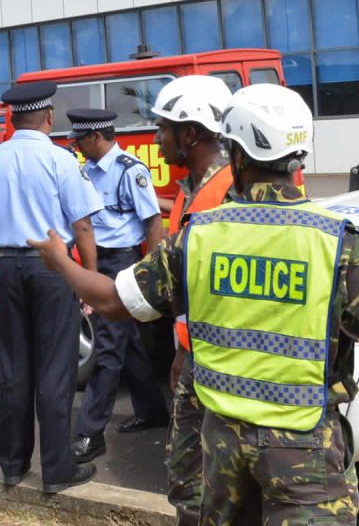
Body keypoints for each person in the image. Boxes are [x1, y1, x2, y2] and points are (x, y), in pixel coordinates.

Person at [28, 84, 359, 523]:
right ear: (299, 154)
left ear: (238, 154)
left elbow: (112, 301)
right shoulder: (340, 244)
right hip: (303, 453)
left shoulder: (199, 236)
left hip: (221, 448)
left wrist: (61, 262)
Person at [0, 81, 103, 494]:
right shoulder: (60, 160)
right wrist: (89, 281)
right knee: (55, 369)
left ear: (12, 118)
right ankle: (56, 470)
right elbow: (83, 225)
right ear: (49, 117)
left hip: (9, 268)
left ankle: (13, 465)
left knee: (14, 368)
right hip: (52, 268)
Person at [150, 75, 235, 526]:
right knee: (191, 482)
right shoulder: (193, 191)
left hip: (219, 361)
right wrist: (182, 350)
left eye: (163, 128)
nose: (157, 139)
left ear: (190, 134)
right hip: (196, 353)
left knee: (209, 481)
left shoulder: (226, 193)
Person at [66, 109, 170, 465]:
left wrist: (153, 272)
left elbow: (153, 221)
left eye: (80, 140)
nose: (77, 146)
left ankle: (90, 433)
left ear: (96, 137)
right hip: (100, 259)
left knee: (108, 348)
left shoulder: (130, 171)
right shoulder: (87, 171)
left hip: (124, 262)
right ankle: (153, 410)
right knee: (130, 341)